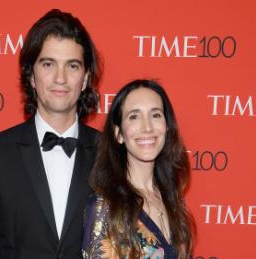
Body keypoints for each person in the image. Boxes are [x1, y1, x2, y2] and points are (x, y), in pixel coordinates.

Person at [0, 9, 101, 259]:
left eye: (72, 65)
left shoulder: (109, 154)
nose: (60, 78)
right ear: (32, 76)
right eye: (48, 64)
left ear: (86, 77)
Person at [82, 80, 195, 259]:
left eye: (155, 115)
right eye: (134, 116)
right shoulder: (104, 207)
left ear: (167, 127)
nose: (147, 127)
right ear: (119, 134)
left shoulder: (172, 197)